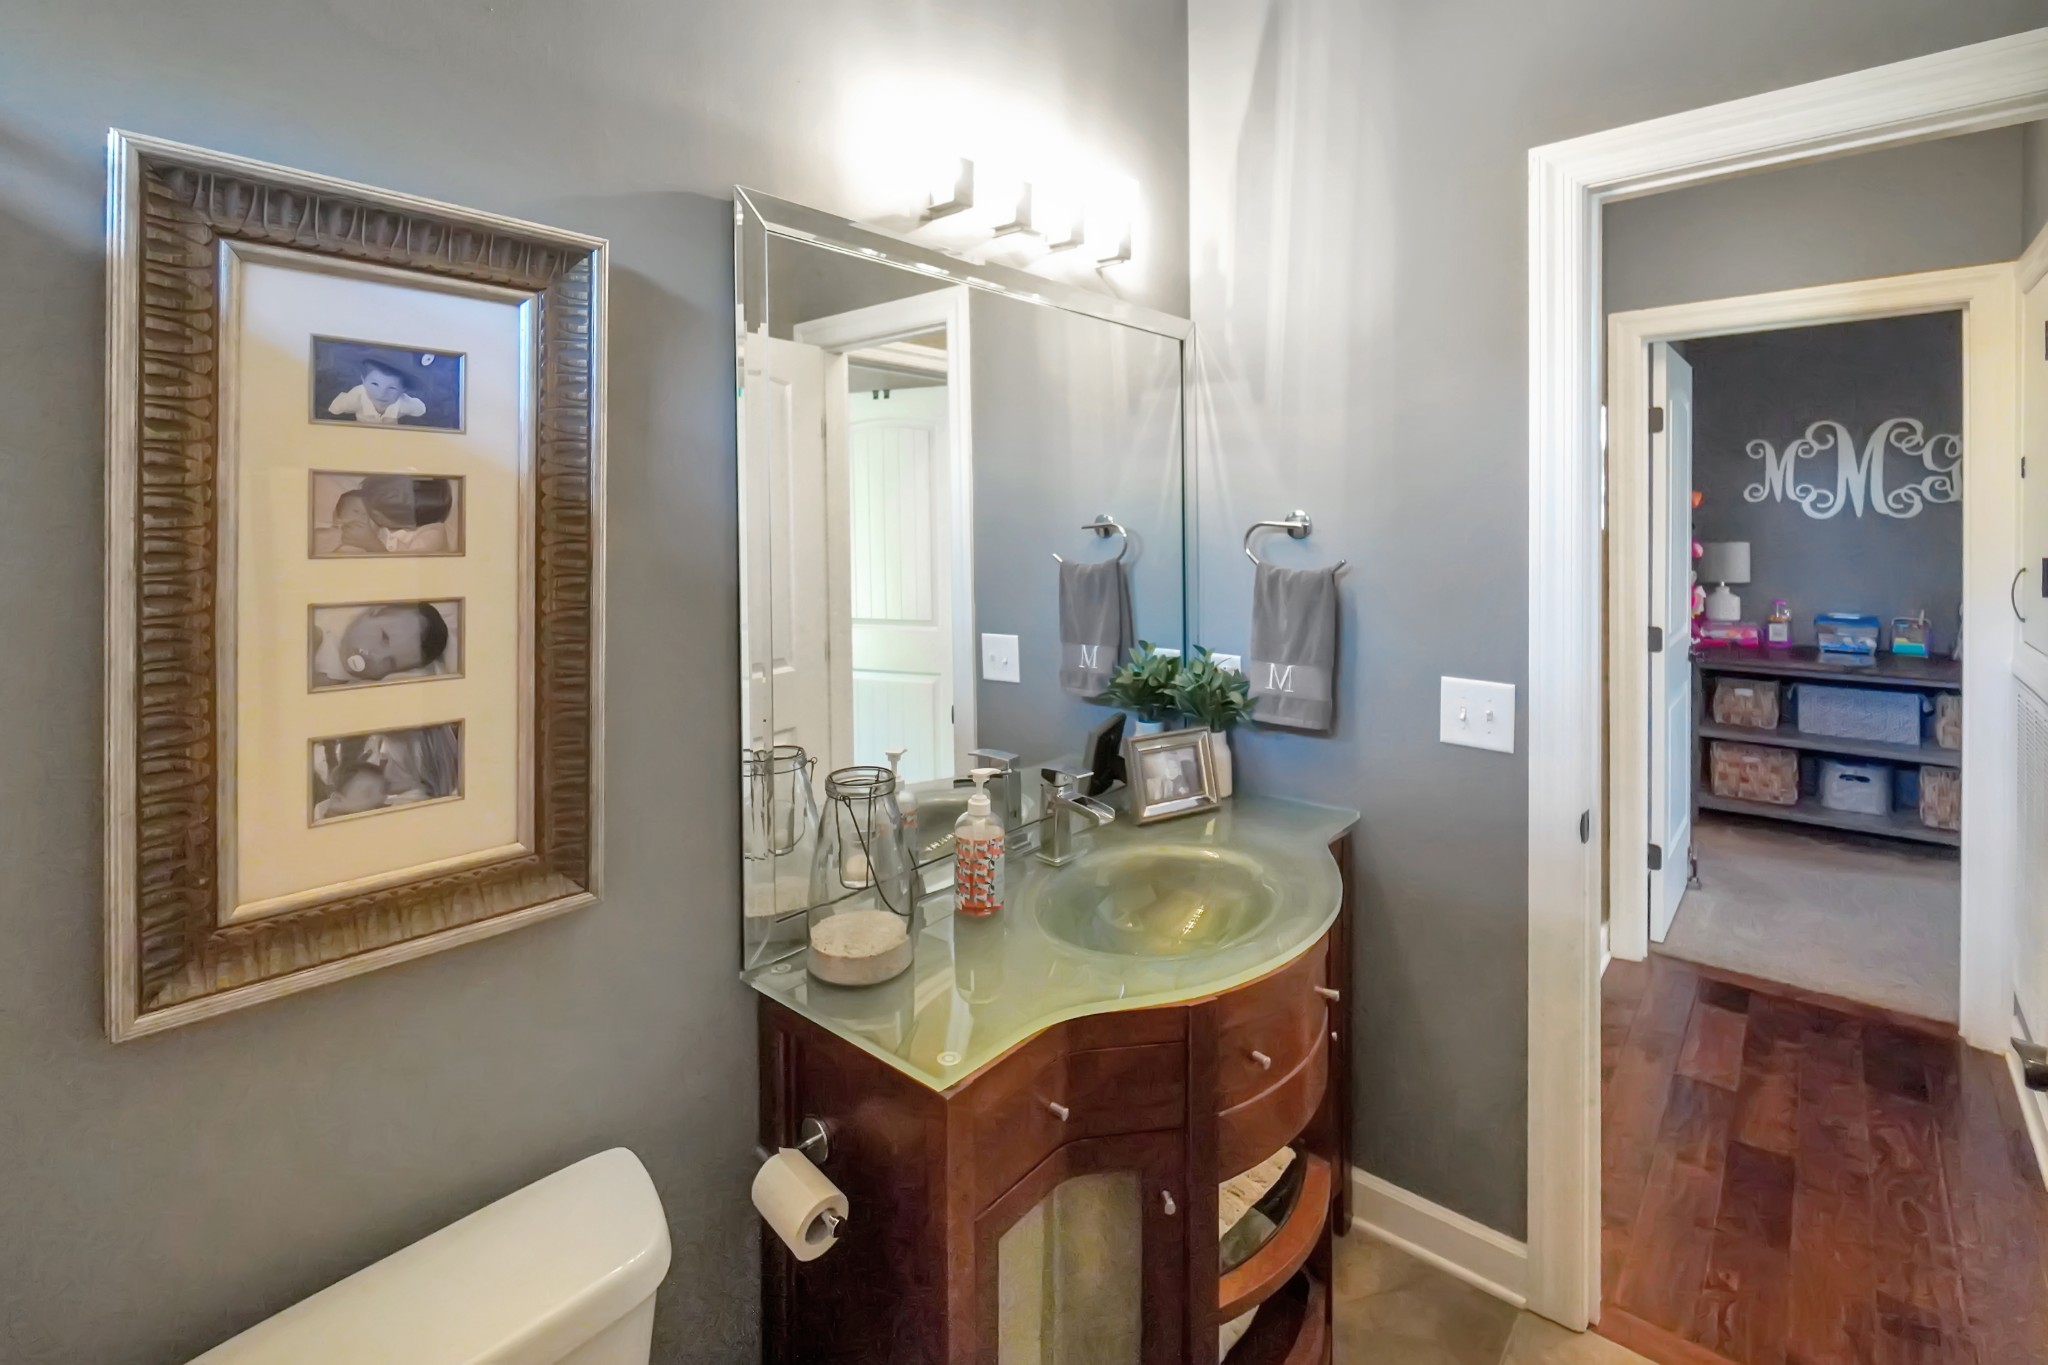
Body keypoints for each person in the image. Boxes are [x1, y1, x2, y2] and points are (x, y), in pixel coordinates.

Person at [310, 601, 452, 688]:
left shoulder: (345, 685)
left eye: (390, 663)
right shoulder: (326, 614)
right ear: (374, 612)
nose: (376, 657)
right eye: (384, 638)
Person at [313, 474, 458, 555]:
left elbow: (402, 575)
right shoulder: (367, 502)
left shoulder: (432, 536)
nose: (371, 511)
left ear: (409, 526)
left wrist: (371, 544)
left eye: (379, 513)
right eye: (370, 501)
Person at [327, 356, 427, 425]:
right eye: (375, 384)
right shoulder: (355, 397)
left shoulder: (405, 404)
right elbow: (335, 408)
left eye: (392, 388)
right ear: (363, 381)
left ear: (403, 390)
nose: (381, 394)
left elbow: (420, 409)